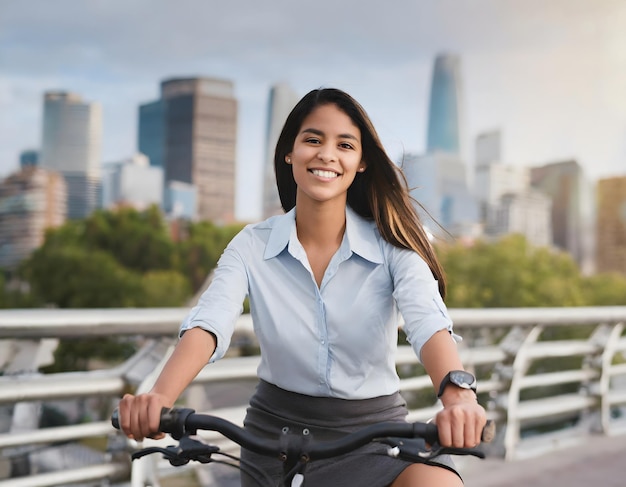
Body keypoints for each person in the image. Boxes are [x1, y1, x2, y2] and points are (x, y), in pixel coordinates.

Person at [117, 87, 487, 486]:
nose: (327, 154)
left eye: (344, 144)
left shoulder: (394, 247)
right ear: (289, 153)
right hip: (272, 439)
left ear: (361, 162)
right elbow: (209, 322)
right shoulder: (251, 244)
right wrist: (160, 396)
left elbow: (428, 323)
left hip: (375, 438)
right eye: (313, 139)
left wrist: (458, 397)